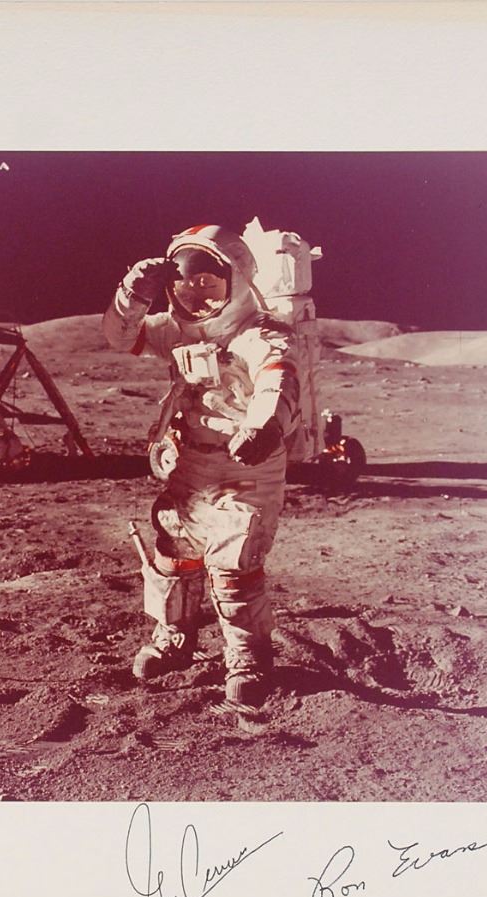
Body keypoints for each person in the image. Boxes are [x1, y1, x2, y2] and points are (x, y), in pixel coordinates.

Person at [102, 224, 300, 709]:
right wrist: (133, 293)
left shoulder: (259, 334)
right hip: (190, 466)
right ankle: (175, 636)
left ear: (236, 280)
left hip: (246, 466)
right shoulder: (175, 329)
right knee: (174, 550)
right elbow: (120, 336)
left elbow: (277, 380)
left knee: (234, 563)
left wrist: (265, 426)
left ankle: (248, 656)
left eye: (209, 284)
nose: (197, 295)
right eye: (186, 285)